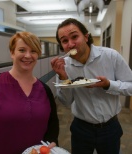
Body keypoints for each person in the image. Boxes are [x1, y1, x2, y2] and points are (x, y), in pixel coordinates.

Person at [51, 18, 132, 154]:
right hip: (81, 128)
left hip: (110, 126)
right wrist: (63, 78)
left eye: (75, 36)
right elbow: (66, 102)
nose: (70, 44)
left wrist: (108, 85)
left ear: (86, 36)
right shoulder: (63, 66)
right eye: (64, 41)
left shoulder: (110, 56)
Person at [0, 31, 59, 154]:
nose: (28, 55)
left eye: (33, 51)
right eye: (22, 50)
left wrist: (52, 142)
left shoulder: (45, 90)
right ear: (12, 52)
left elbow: (52, 124)